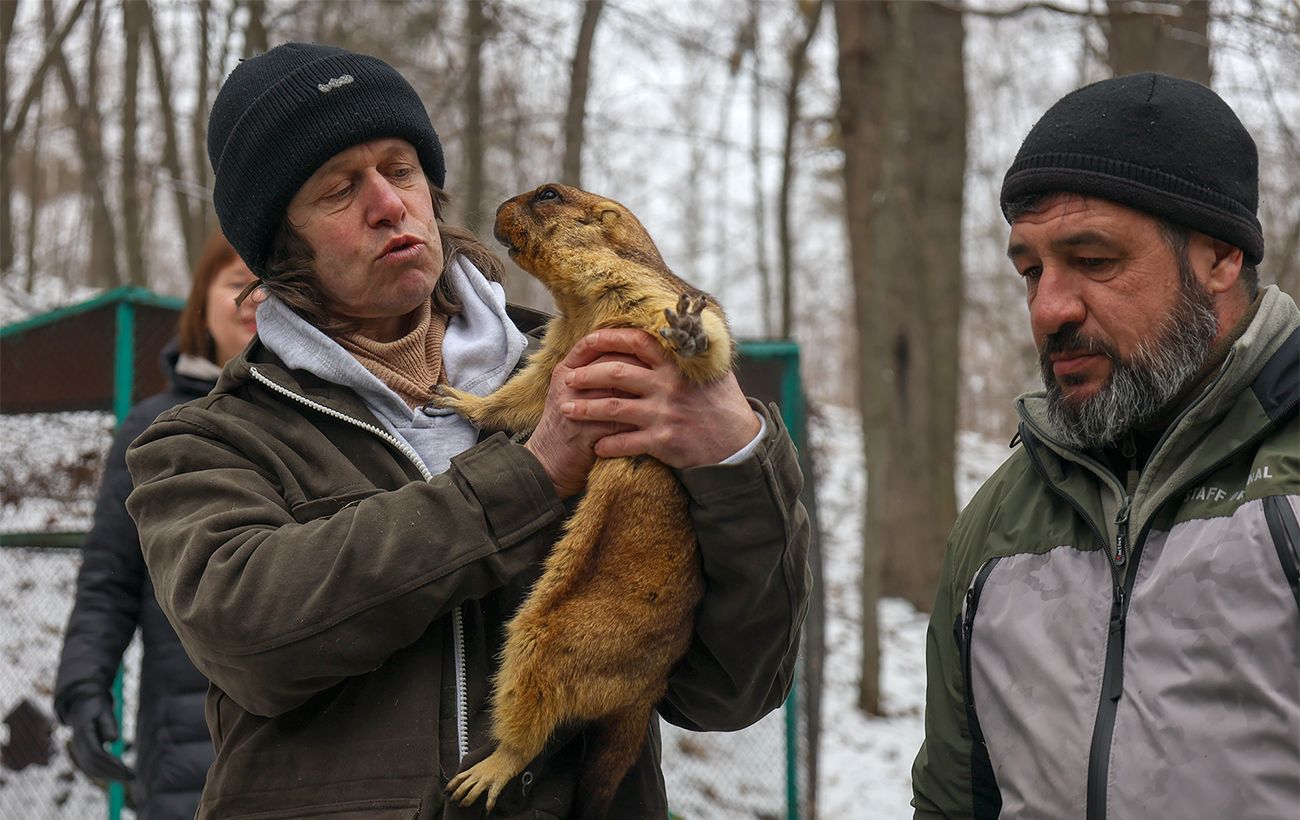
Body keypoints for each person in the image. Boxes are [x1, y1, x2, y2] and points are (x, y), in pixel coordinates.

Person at [124, 42, 811, 819]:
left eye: (402, 168)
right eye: (339, 189)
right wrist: (533, 473)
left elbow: (731, 689)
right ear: (285, 246)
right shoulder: (205, 443)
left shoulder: (613, 374)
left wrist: (736, 457)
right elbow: (251, 638)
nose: (388, 203)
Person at [911, 72, 1299, 819]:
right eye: (1031, 270)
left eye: (1093, 261)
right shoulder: (998, 523)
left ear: (1219, 258)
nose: (1048, 309)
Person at [54, 231, 258, 819]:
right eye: (235, 282)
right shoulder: (152, 429)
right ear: (201, 303)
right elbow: (108, 579)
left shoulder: (333, 414)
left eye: (270, 282)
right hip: (186, 753)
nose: (254, 297)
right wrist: (84, 686)